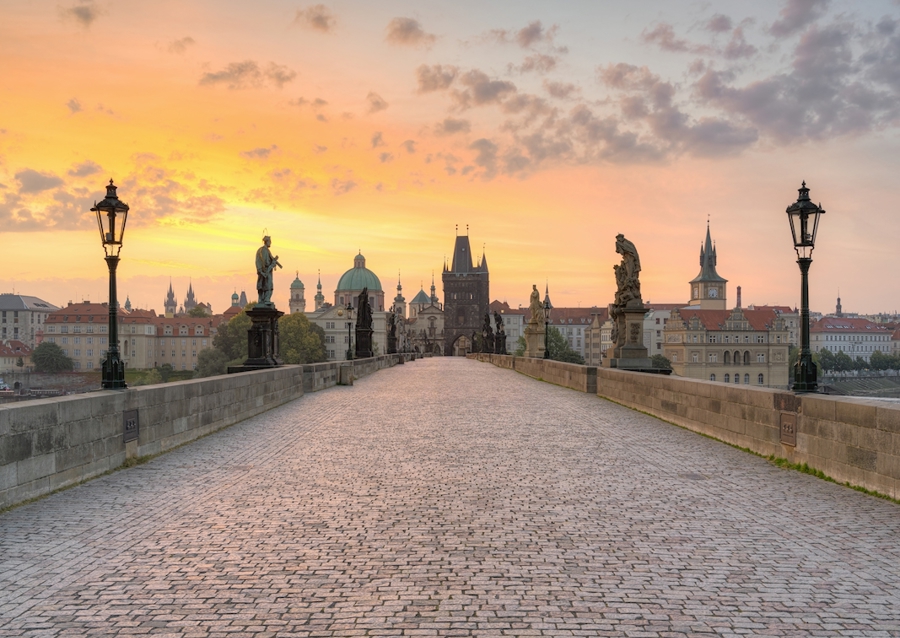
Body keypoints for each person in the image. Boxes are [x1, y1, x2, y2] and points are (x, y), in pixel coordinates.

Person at [255, 236, 281, 305]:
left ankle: (266, 299)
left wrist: (273, 263)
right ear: (266, 241)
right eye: (270, 241)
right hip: (265, 271)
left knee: (268, 286)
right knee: (266, 286)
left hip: (268, 271)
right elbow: (260, 261)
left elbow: (269, 260)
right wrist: (261, 271)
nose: (271, 243)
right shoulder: (262, 250)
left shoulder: (267, 250)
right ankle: (264, 300)